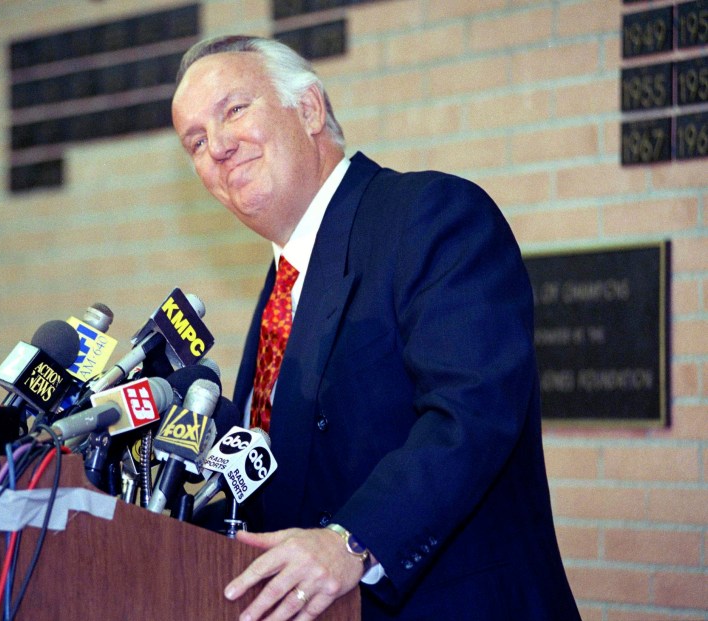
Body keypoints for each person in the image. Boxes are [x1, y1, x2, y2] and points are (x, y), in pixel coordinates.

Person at [171, 35, 581, 621]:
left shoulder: (431, 215)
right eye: (196, 141)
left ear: (309, 108)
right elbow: (292, 471)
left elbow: (472, 412)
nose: (218, 147)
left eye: (234, 110)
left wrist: (350, 540)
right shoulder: (285, 280)